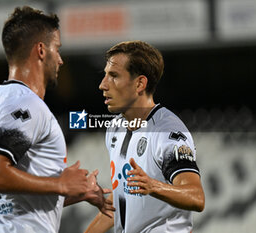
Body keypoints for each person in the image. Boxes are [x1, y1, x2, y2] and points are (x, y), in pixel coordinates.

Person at [0, 6, 114, 233]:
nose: (60, 60)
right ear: (41, 50)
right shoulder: (25, 103)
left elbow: (10, 203)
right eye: (57, 49)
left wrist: (73, 192)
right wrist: (61, 183)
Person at [85, 41, 205, 233]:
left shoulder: (167, 132)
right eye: (105, 75)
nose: (102, 85)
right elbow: (121, 198)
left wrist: (154, 186)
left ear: (140, 83)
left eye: (114, 76)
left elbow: (197, 197)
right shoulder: (115, 128)